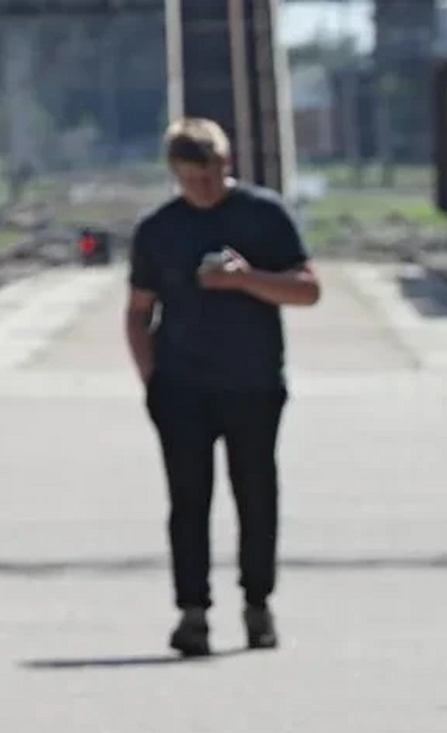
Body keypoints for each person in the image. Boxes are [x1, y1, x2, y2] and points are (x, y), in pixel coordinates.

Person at [124, 118, 320, 657]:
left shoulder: (264, 215)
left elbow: (308, 291)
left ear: (226, 165)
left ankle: (257, 605)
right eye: (190, 179)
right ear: (174, 175)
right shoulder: (158, 229)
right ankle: (193, 613)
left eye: (209, 176)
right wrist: (151, 380)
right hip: (181, 387)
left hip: (254, 383)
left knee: (256, 496)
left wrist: (244, 279)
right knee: (188, 502)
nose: (202, 189)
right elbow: (139, 312)